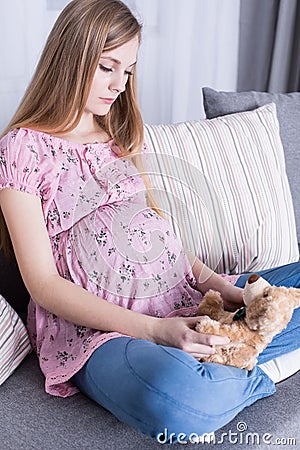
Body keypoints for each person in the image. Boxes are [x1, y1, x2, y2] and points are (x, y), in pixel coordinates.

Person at [0, 0, 299, 443]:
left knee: (282, 292)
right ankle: (251, 362)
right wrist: (156, 331)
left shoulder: (121, 135)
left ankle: (232, 350)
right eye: (108, 66)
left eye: (129, 71)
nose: (120, 84)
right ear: (71, 55)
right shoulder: (22, 148)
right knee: (174, 396)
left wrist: (225, 289)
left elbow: (165, 243)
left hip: (185, 303)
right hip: (103, 334)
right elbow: (42, 283)